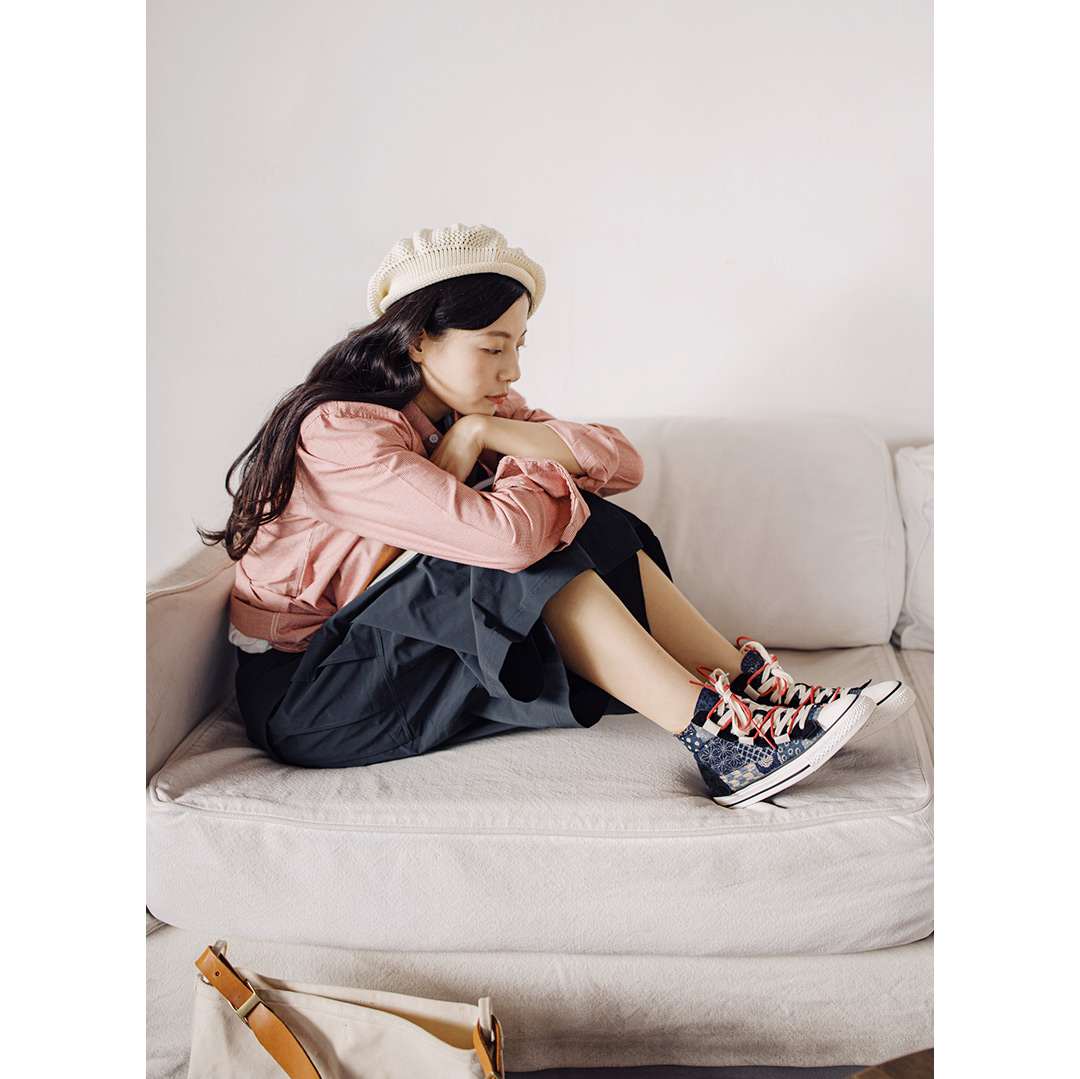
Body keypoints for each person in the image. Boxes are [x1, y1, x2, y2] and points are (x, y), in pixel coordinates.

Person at [201, 224, 913, 809]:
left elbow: (621, 461)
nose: (511, 371)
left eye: (518, 346)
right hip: (313, 694)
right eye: (492, 347)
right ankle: (718, 741)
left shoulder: (470, 410)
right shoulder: (341, 431)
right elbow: (506, 540)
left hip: (387, 650)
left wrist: (486, 433)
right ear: (417, 340)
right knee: (516, 550)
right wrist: (530, 471)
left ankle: (753, 693)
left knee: (587, 519)